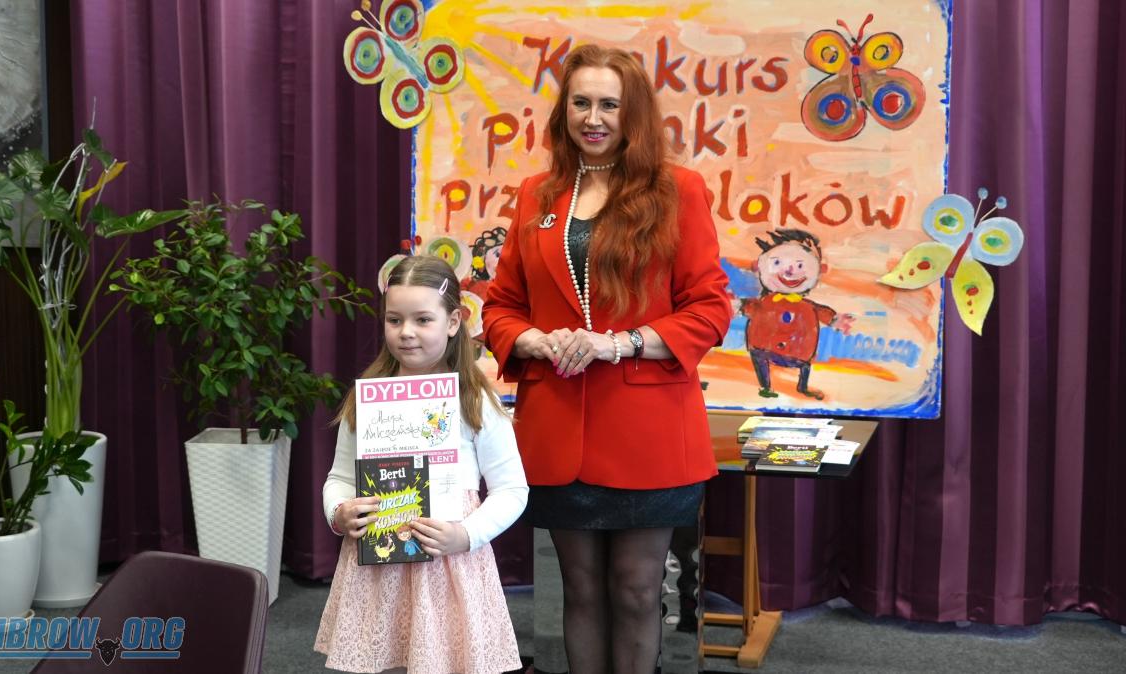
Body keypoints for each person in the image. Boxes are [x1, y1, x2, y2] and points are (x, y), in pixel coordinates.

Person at [482, 43, 732, 674]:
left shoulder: (678, 190)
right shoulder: (537, 194)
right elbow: (501, 306)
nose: (593, 118)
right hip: (557, 422)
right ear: (564, 110)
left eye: (609, 105)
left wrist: (616, 343)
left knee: (637, 590)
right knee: (582, 589)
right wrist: (533, 340)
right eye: (581, 103)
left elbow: (709, 309)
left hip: (649, 431)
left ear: (633, 113)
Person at [315, 256, 528, 674]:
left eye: (423, 320)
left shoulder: (475, 401)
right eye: (394, 320)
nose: (406, 332)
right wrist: (339, 512)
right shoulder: (368, 397)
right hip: (379, 568)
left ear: (453, 322)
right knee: (382, 659)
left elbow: (512, 490)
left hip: (450, 563)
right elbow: (339, 478)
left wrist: (465, 535)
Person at [741, 228, 855, 399]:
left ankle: (802, 387)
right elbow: (748, 307)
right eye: (777, 263)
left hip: (798, 352)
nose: (789, 271)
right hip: (763, 346)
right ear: (759, 266)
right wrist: (735, 306)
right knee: (758, 357)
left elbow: (823, 313)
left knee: (804, 366)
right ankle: (765, 386)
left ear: (819, 270)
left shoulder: (807, 306)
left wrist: (836, 320)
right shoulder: (764, 302)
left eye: (800, 265)